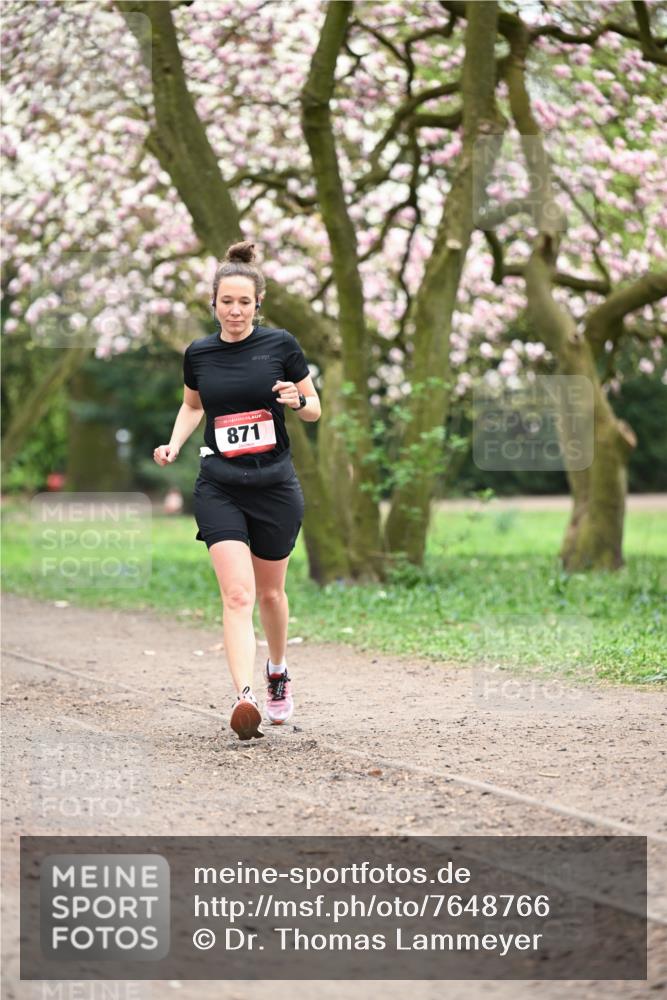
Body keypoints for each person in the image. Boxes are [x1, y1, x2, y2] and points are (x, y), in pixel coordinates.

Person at [153, 241, 321, 740]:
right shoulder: (199, 354)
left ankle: (277, 670)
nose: (234, 310)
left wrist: (297, 399)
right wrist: (174, 443)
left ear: (256, 304)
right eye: (226, 301)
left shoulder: (282, 346)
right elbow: (192, 406)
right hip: (219, 485)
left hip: (274, 486)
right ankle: (243, 695)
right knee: (237, 593)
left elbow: (314, 407)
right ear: (214, 304)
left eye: (244, 302)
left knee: (270, 592)